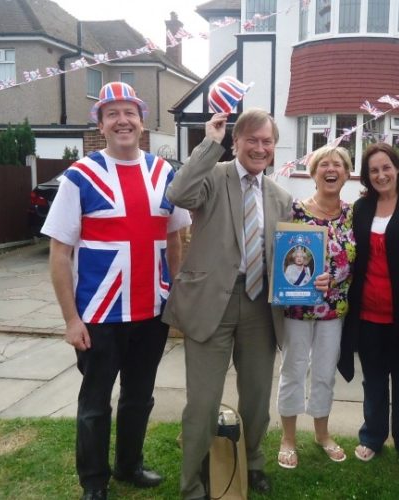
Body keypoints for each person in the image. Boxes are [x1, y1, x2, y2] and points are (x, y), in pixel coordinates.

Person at [42, 81, 192, 500]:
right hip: (99, 315)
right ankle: (94, 482)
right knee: (95, 404)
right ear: (101, 125)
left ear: (142, 122)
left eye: (129, 113)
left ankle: (129, 466)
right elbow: (59, 253)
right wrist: (71, 320)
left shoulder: (164, 174)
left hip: (152, 312)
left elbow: (175, 240)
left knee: (139, 398)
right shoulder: (80, 176)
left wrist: (176, 296)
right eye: (112, 114)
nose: (122, 121)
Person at [164, 109, 293, 500]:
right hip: (211, 305)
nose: (259, 148)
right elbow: (178, 194)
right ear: (235, 142)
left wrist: (306, 279)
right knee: (202, 403)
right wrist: (209, 143)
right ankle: (192, 484)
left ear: (274, 147)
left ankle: (252, 463)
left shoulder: (281, 198)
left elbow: (286, 256)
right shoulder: (213, 176)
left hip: (259, 308)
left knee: (256, 400)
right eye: (251, 139)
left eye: (267, 141)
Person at [338, 142, 399, 470]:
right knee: (374, 380)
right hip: (367, 312)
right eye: (374, 170)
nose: (381, 175)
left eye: (386, 168)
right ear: (367, 176)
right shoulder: (362, 208)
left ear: (397, 168)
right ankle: (372, 436)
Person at [276, 145, 355, 469]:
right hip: (297, 308)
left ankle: (322, 434)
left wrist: (335, 278)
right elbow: (280, 255)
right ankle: (288, 438)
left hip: (333, 311)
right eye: (324, 164)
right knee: (293, 370)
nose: (331, 169)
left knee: (324, 374)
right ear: (313, 172)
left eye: (338, 164)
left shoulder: (353, 214)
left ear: (346, 174)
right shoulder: (294, 211)